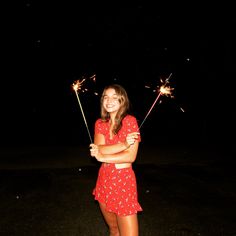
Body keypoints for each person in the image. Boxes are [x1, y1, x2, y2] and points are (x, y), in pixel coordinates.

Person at [90, 84, 142, 236]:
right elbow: (98, 148)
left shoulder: (130, 121)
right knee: (114, 230)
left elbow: (130, 156)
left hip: (123, 182)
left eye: (114, 97)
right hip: (104, 181)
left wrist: (103, 156)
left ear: (122, 100)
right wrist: (124, 144)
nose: (109, 100)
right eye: (106, 97)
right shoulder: (100, 123)